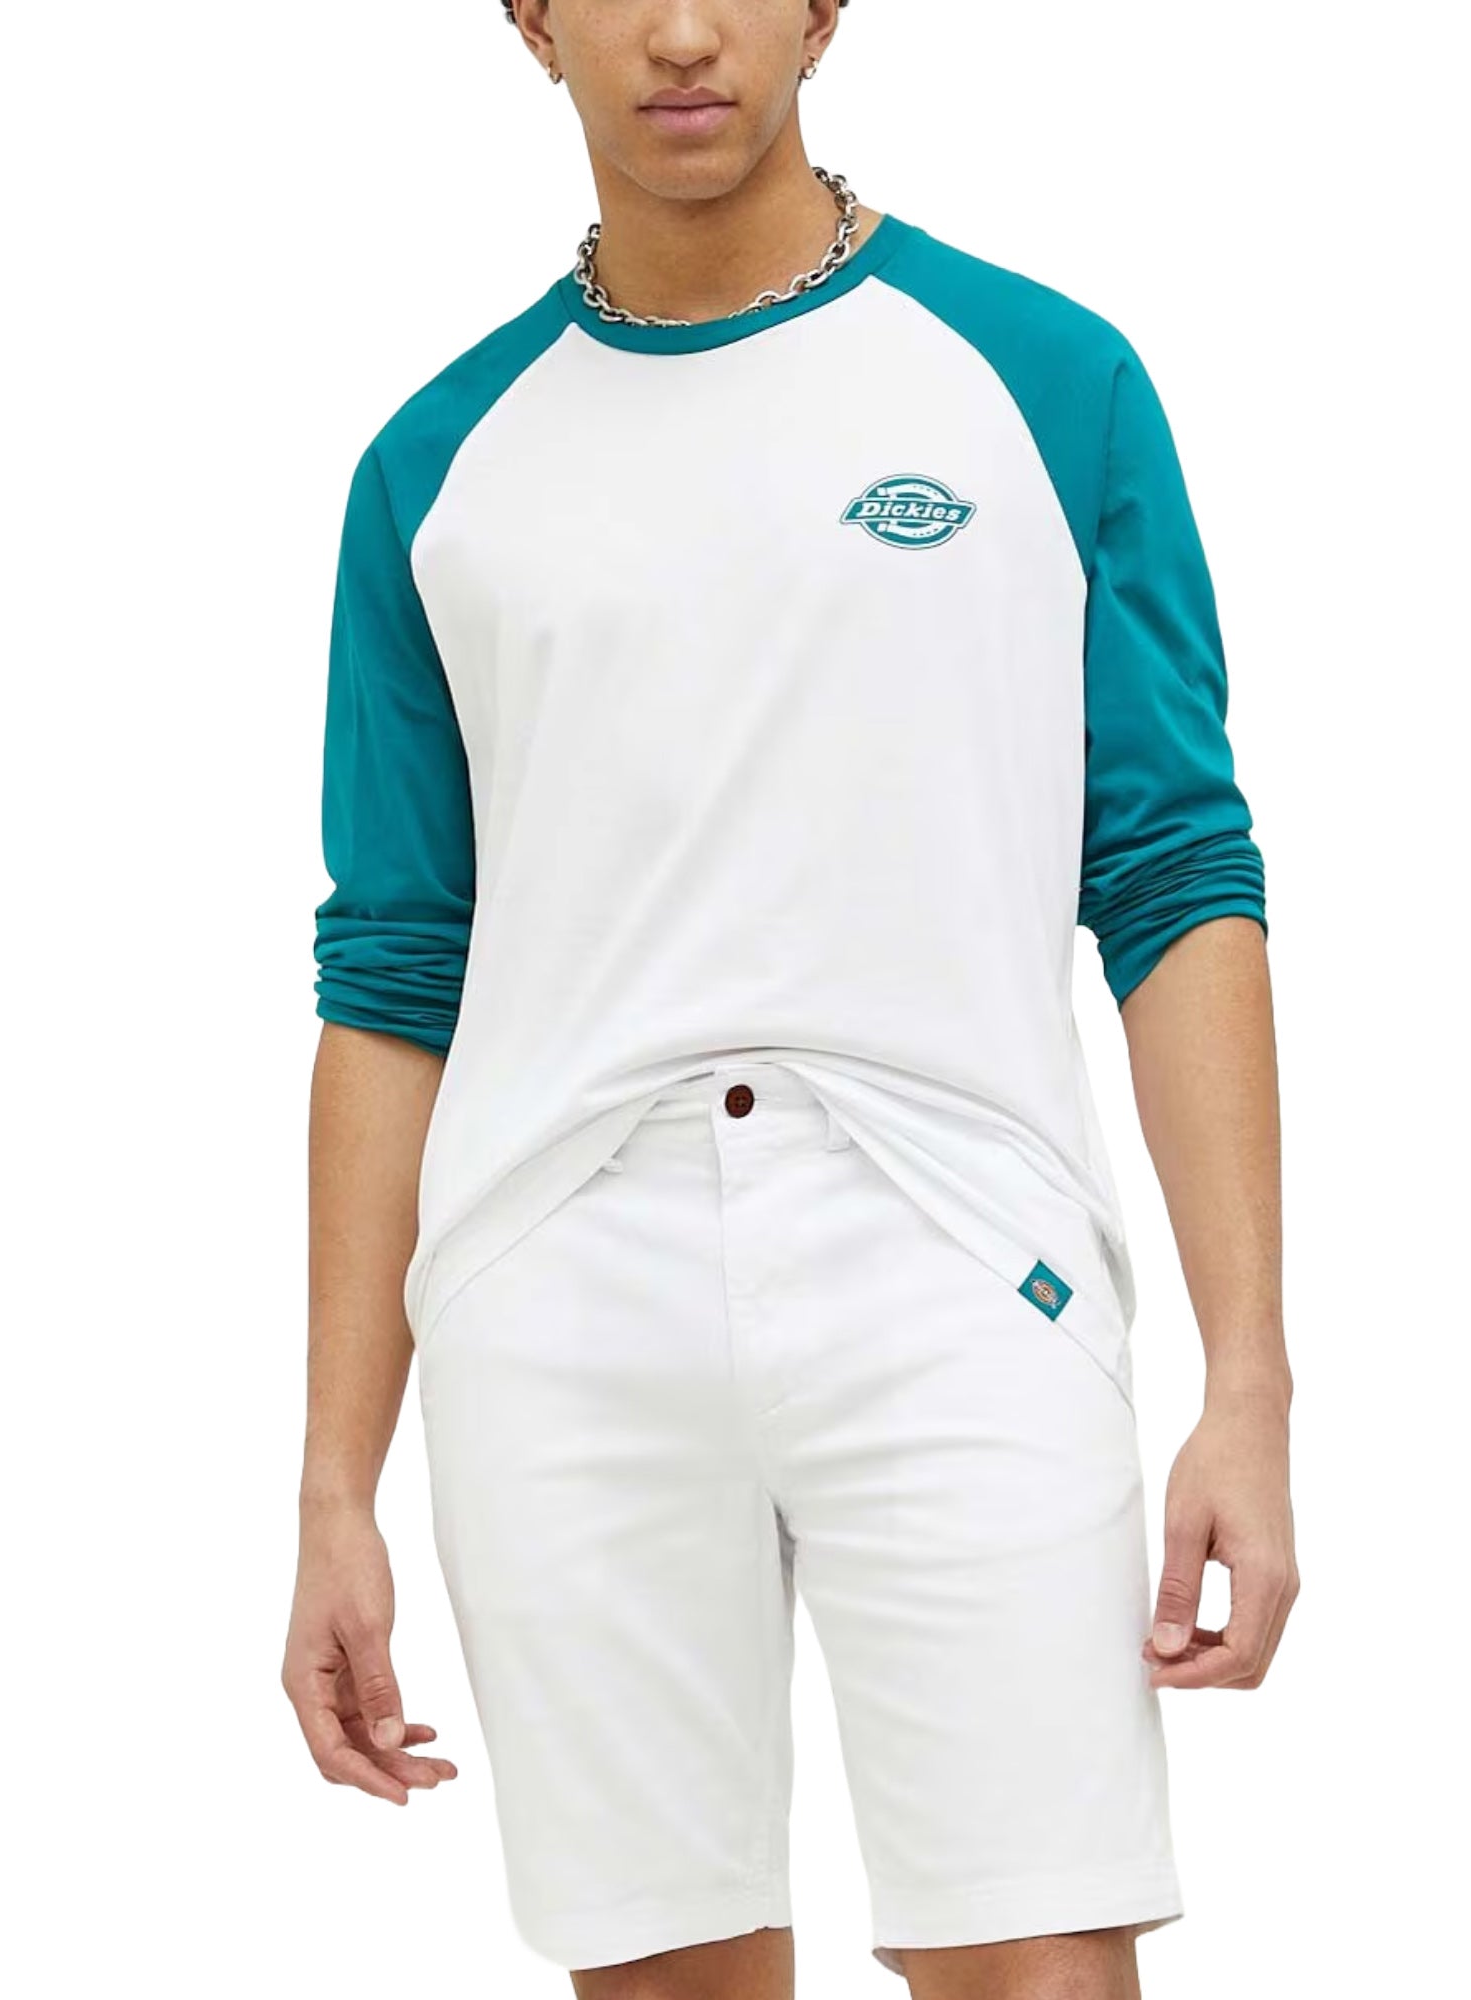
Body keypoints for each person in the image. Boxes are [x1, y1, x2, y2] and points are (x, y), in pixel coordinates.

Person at [281, 4, 1300, 1995]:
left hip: (962, 1253)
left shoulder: (1045, 381)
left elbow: (1176, 872)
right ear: (529, 16)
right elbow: (394, 969)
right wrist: (335, 1482)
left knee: (1040, 1961)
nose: (683, 34)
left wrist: (1247, 1382)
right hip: (559, 1284)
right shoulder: (436, 469)